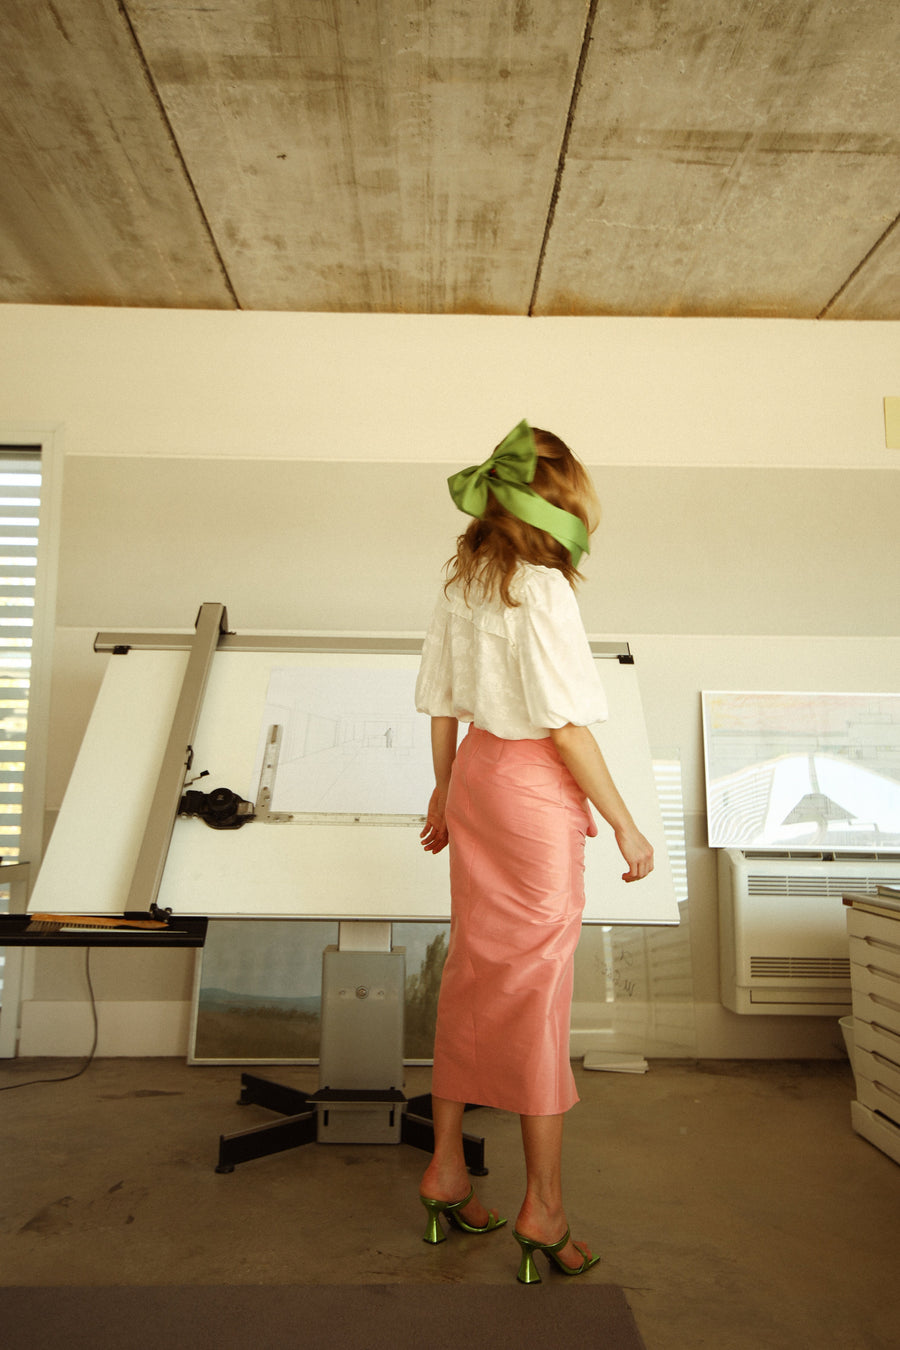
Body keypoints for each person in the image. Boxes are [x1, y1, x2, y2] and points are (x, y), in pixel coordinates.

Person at [414, 419, 654, 1285]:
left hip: (477, 774)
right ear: (553, 506)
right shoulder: (544, 592)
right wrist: (623, 821)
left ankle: (445, 1172)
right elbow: (564, 727)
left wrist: (444, 791)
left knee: (475, 972)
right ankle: (542, 1210)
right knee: (536, 992)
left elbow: (442, 704)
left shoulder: (464, 585)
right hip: (529, 788)